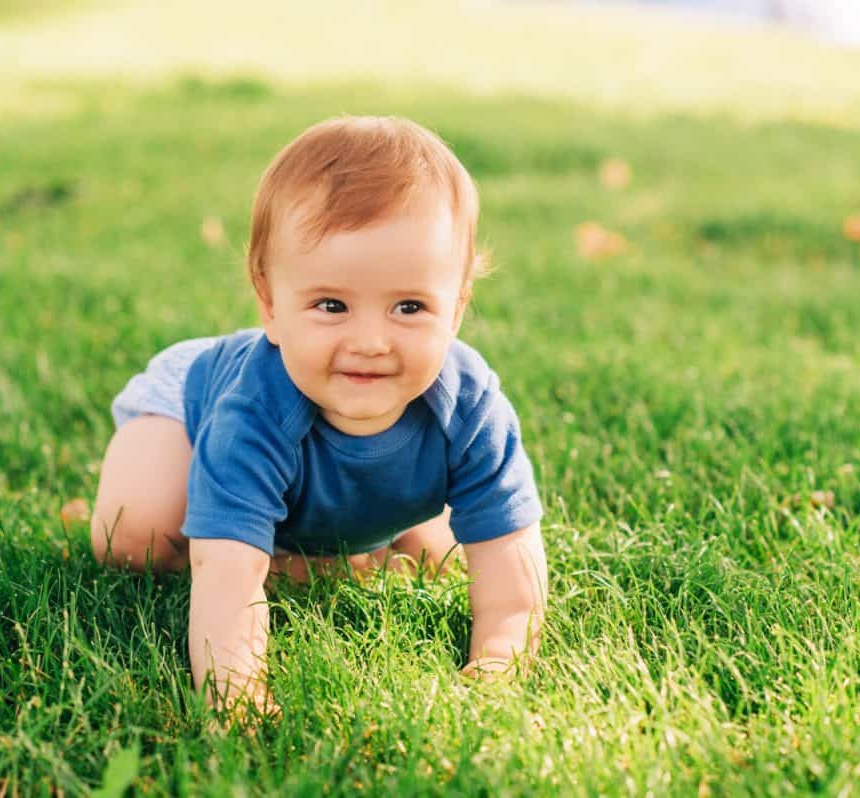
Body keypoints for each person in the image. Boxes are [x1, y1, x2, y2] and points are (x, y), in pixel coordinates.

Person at [90, 115, 549, 714]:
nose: (370, 341)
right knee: (135, 538)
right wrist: (238, 697)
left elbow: (512, 574)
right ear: (270, 303)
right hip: (192, 408)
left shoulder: (469, 407)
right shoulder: (251, 411)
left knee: (444, 555)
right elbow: (225, 577)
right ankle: (295, 550)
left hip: (327, 433)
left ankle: (327, 553)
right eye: (332, 304)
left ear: (457, 309)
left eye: (409, 306)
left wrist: (496, 670)